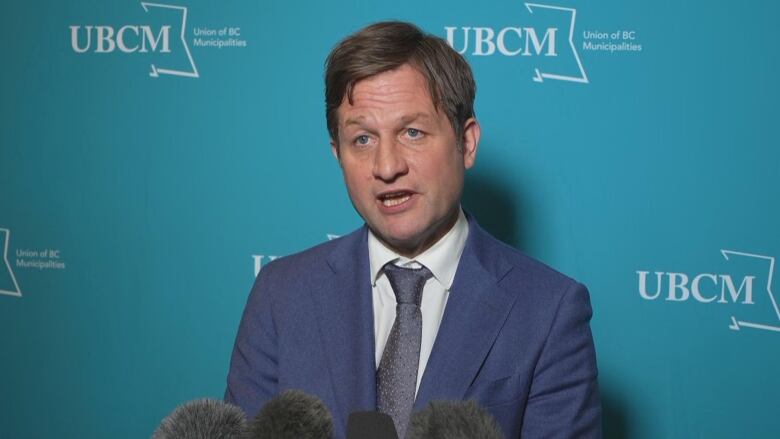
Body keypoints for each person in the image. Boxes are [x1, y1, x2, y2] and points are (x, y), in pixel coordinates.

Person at [225, 21, 601, 438]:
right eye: (363, 139)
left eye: (412, 132)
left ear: (467, 143)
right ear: (337, 154)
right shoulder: (281, 293)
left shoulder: (549, 311)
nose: (387, 167)